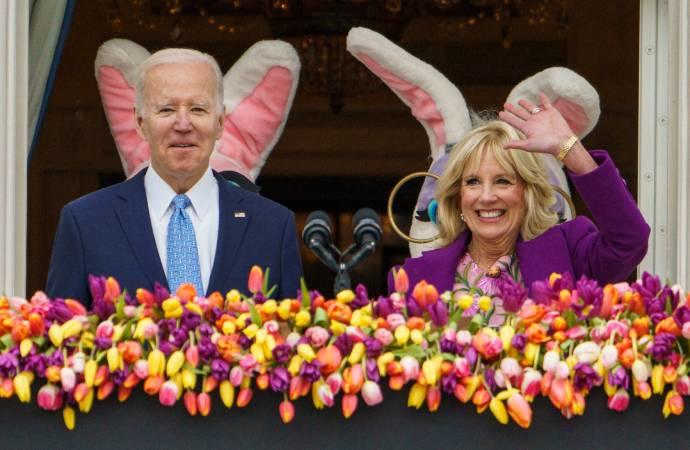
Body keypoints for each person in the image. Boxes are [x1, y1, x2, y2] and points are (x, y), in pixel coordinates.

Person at [47, 48, 302, 306]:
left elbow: (289, 338)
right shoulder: (86, 223)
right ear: (140, 122)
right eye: (167, 110)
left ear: (220, 122)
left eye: (198, 109)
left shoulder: (273, 226)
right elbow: (60, 334)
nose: (183, 125)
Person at [389, 93, 650, 322]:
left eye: (503, 181)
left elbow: (629, 240)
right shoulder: (413, 279)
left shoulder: (570, 253)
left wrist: (568, 148)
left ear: (527, 192)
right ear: (458, 197)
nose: (487, 196)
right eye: (473, 182)